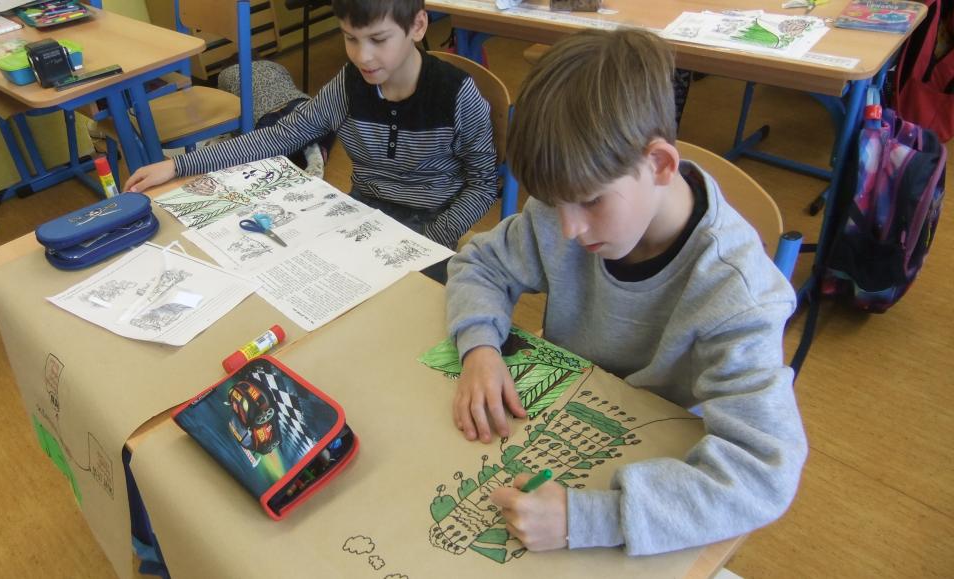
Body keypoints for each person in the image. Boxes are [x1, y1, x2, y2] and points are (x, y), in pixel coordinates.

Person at [445, 28, 807, 556]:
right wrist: (479, 346)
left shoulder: (737, 291)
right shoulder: (570, 199)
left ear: (659, 165)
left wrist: (588, 519)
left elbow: (764, 474)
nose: (569, 229)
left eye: (590, 202)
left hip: (655, 476)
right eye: (555, 204)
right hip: (564, 422)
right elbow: (479, 262)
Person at [124, 0, 498, 280]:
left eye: (378, 39)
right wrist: (178, 165)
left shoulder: (455, 95)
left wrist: (431, 238)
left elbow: (483, 184)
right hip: (364, 211)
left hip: (432, 223)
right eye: (350, 38)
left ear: (417, 25)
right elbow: (281, 135)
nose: (363, 56)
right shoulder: (350, 85)